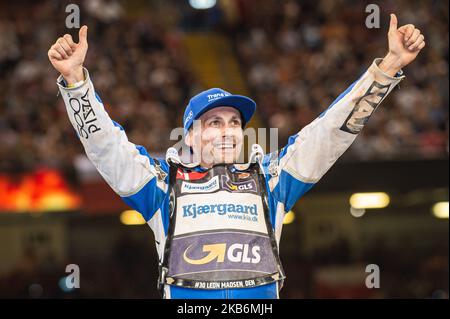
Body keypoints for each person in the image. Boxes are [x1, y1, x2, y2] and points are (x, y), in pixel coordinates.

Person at [48, 14, 425, 299]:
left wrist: (388, 66)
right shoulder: (163, 186)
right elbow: (106, 145)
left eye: (234, 122)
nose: (228, 130)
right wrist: (76, 82)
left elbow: (330, 132)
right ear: (190, 136)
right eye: (213, 122)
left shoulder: (272, 180)